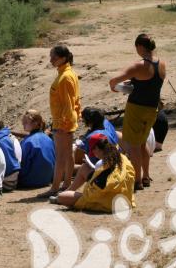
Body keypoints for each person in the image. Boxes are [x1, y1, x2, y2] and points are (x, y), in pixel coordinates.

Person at [109, 34, 165, 191]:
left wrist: (115, 87)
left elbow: (113, 80)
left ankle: (137, 180)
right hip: (152, 108)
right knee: (142, 143)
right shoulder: (161, 63)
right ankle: (146, 176)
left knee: (133, 145)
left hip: (137, 108)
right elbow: (149, 83)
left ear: (140, 46)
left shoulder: (139, 65)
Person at [39, 45, 81, 197]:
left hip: (63, 122)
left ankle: (55, 188)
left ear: (63, 58)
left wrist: (63, 124)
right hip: (67, 121)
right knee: (68, 154)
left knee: (61, 156)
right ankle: (67, 184)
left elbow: (68, 104)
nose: (51, 60)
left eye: (54, 58)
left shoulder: (65, 77)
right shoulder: (68, 73)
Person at [51, 138, 136, 212]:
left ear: (99, 149)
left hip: (109, 200)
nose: (93, 152)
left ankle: (64, 195)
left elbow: (96, 191)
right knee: (84, 168)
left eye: (94, 149)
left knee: (62, 197)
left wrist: (85, 192)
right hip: (124, 196)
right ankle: (68, 191)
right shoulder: (121, 157)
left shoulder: (103, 164)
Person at [18, 110, 55, 188]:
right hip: (47, 179)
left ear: (35, 123)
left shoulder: (28, 142)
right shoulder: (48, 139)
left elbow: (22, 164)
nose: (22, 124)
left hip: (31, 181)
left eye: (25, 122)